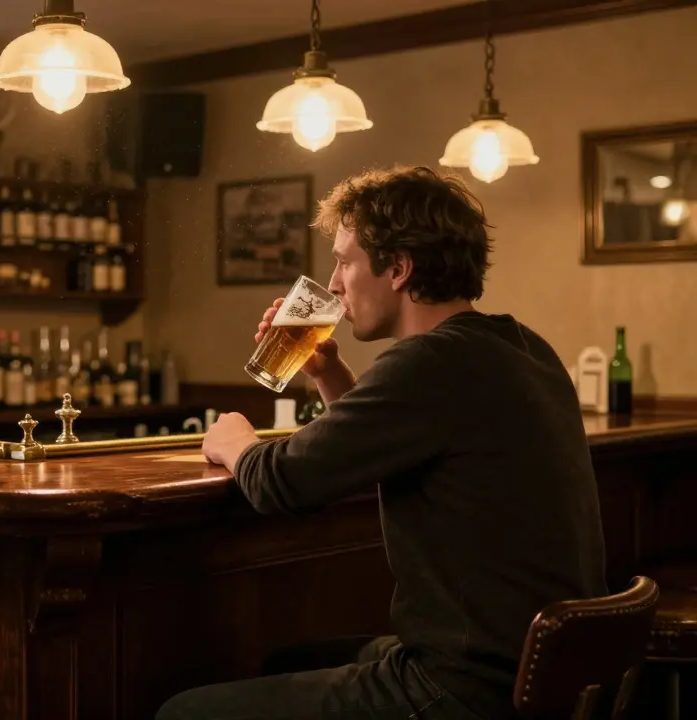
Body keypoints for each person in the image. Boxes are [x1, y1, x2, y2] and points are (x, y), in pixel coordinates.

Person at [163, 166, 607, 719]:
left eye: (345, 262)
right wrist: (328, 373)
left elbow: (282, 482)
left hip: (466, 689)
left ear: (398, 268)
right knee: (287, 661)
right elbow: (388, 444)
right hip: (538, 672)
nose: (334, 284)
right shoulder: (520, 345)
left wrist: (234, 441)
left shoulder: (429, 362)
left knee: (183, 712)